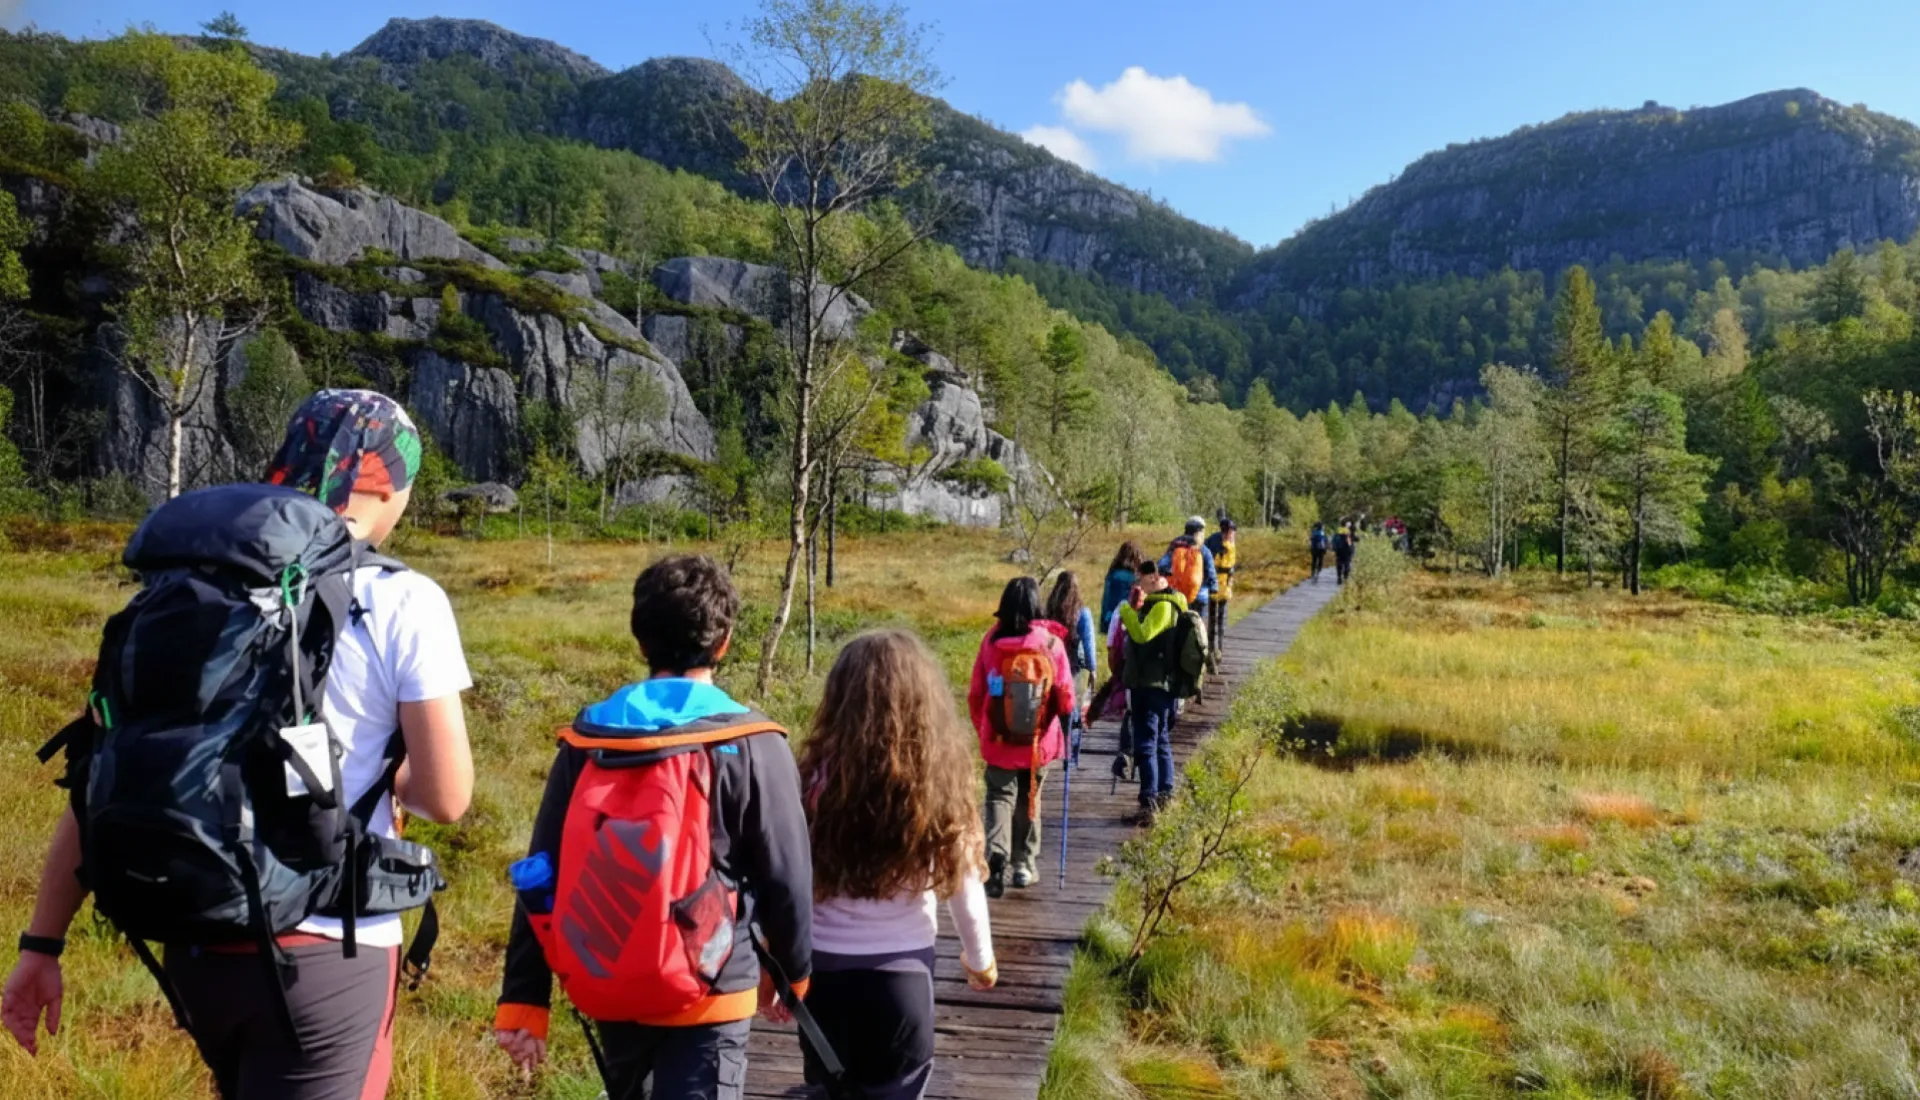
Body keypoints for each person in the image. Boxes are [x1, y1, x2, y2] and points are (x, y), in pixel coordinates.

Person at [2, 390, 477, 1100]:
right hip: (326, 953)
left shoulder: (188, 587)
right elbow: (447, 798)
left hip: (195, 937)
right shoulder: (405, 599)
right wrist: (388, 775)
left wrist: (42, 944)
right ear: (388, 482)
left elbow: (98, 772)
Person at [494, 555, 812, 1099]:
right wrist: (792, 973)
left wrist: (525, 1000)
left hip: (613, 975)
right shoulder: (754, 742)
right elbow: (788, 878)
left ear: (641, 642)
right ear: (724, 643)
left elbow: (541, 871)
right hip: (714, 987)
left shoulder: (589, 740)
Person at [800, 630, 998, 1100]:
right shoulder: (934, 784)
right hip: (901, 983)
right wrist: (980, 960)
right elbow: (965, 886)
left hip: (822, 983)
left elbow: (787, 875)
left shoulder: (811, 780)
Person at [967, 577, 1074, 897]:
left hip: (999, 739)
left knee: (999, 796)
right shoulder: (1051, 644)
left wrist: (984, 729)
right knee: (1030, 798)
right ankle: (1024, 865)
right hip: (1037, 742)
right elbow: (1066, 698)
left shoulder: (991, 642)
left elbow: (976, 693)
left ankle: (996, 853)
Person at [1117, 560, 1189, 825]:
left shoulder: (1163, 606)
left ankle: (1149, 804)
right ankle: (1164, 797)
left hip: (1153, 685)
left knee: (1147, 744)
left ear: (1152, 578)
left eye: (1140, 581)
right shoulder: (1168, 603)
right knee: (1160, 741)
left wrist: (1126, 611)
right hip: (1159, 684)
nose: (1138, 586)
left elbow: (1143, 634)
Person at [1046, 570, 1097, 765]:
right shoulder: (1082, 612)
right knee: (1072, 709)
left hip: (1051, 665)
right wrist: (1092, 668)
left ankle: (1053, 752)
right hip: (1074, 667)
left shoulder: (1049, 611)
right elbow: (1089, 641)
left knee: (1053, 708)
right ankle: (1071, 758)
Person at [1160, 516, 1218, 611]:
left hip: (1177, 593)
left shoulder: (1175, 545)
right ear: (1199, 532)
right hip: (1199, 595)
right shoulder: (1203, 549)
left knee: (1179, 618)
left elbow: (1162, 565)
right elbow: (1210, 571)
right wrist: (1213, 587)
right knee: (1197, 619)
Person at [1203, 519, 1237, 666]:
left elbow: (1231, 565)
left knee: (1221, 618)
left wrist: (1230, 582)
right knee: (1213, 619)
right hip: (1214, 585)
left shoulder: (1230, 543)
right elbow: (1208, 562)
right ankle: (1211, 649)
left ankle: (1219, 649)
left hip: (1224, 586)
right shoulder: (1214, 542)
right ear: (1226, 531)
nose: (1233, 535)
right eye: (1231, 532)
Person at [1098, 542, 1144, 632]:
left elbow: (1106, 600)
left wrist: (1103, 622)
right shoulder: (1136, 578)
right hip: (1130, 618)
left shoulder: (1112, 575)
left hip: (1111, 617)